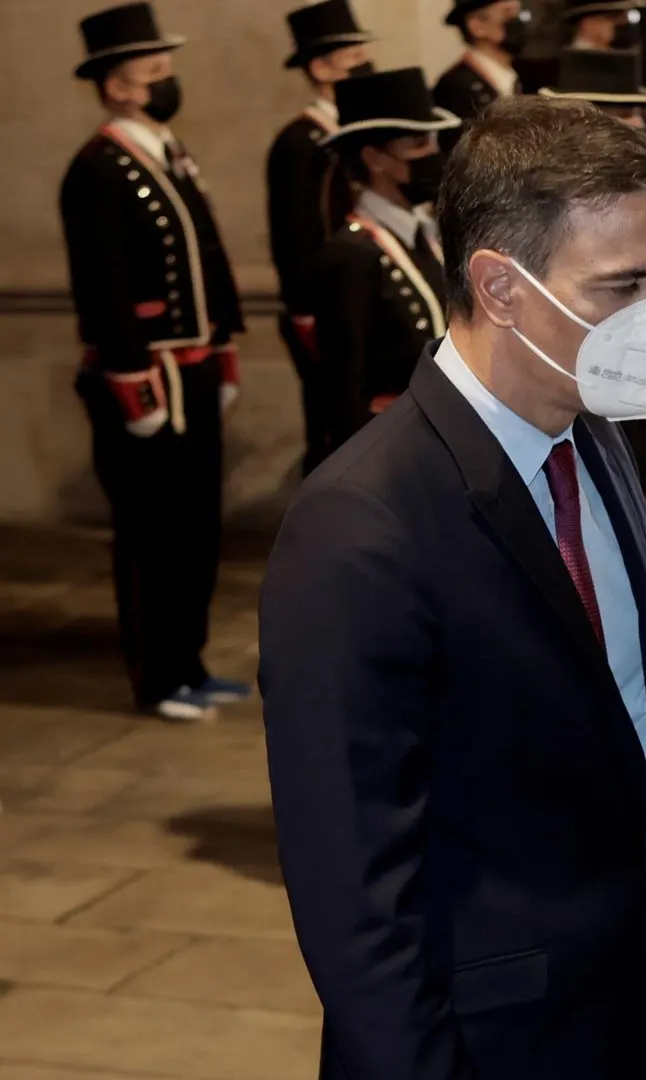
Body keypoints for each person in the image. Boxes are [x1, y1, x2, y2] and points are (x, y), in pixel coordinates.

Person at [260, 96, 646, 1079]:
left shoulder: (595, 441)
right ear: (500, 287)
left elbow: (644, 770)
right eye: (623, 286)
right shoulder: (360, 525)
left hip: (628, 1023)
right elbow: (355, 907)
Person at [62, 2, 247, 722]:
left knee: (196, 527)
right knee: (151, 535)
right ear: (118, 86)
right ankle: (156, 675)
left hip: (193, 367)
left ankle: (189, 664)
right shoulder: (100, 167)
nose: (170, 82)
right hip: (147, 377)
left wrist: (223, 344)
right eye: (156, 72)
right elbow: (103, 284)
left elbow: (206, 258)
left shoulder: (165, 152)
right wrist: (132, 381)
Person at [540, 45, 646, 497]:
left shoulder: (634, 196)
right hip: (569, 375)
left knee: (631, 490)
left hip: (629, 366)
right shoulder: (544, 204)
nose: (635, 127)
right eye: (620, 115)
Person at [312, 69, 457, 440]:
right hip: (395, 441)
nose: (433, 155)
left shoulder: (424, 234)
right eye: (418, 144)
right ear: (375, 158)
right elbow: (346, 381)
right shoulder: (353, 254)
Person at [269, 0, 375, 475]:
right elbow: (296, 235)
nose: (363, 64)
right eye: (351, 55)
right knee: (333, 430)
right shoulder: (301, 142)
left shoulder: (355, 130)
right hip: (328, 307)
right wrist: (306, 312)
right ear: (321, 66)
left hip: (362, 300)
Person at [434, 0, 528, 153]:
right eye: (508, 13)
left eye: (518, 13)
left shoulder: (513, 78)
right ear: (477, 26)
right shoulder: (457, 86)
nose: (518, 22)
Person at [564, 0, 645, 50]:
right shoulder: (571, 65)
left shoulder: (620, 62)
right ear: (587, 23)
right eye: (613, 16)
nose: (621, 23)